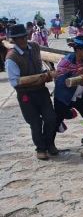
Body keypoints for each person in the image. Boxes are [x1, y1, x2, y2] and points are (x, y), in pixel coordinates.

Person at [5, 24, 57, 160]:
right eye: (18, 38)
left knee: (51, 118)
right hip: (26, 95)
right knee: (35, 122)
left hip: (41, 90)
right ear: (14, 40)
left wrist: (47, 73)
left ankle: (49, 143)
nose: (22, 40)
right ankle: (41, 148)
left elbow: (41, 63)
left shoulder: (34, 47)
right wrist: (39, 78)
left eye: (23, 36)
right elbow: (15, 82)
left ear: (26, 36)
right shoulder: (11, 58)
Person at [53, 36, 83, 156]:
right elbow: (59, 78)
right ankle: (48, 146)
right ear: (78, 50)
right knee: (55, 121)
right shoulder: (66, 61)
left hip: (81, 96)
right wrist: (77, 72)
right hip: (64, 97)